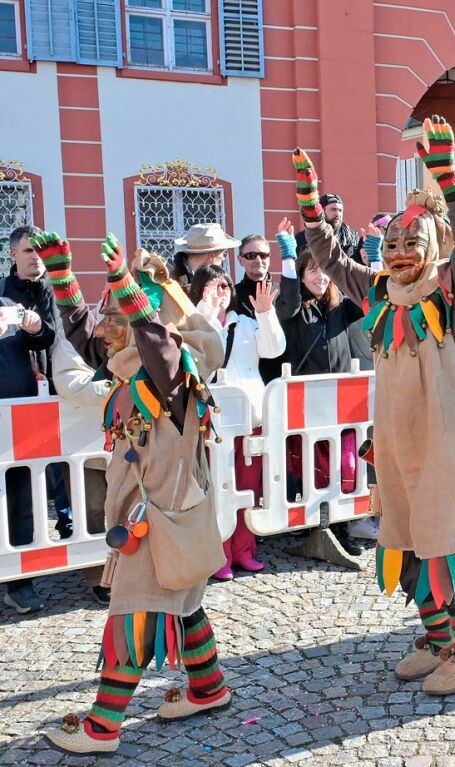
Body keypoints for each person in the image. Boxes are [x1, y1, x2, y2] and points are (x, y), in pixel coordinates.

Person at [294, 115, 455, 694]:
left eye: (413, 243)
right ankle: (437, 639)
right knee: (405, 546)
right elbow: (330, 259)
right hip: (398, 448)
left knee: (444, 546)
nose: (401, 252)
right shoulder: (380, 293)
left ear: (433, 247)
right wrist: (311, 206)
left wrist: (446, 174)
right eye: (392, 244)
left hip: (446, 447)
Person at [32, 231, 229, 754]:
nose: (106, 326)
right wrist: (63, 279)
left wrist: (127, 286)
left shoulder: (171, 374)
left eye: (118, 316)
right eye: (108, 313)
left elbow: (155, 341)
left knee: (136, 611)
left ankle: (103, 725)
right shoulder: (126, 371)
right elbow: (84, 335)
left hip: (161, 521)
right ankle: (209, 687)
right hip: (161, 517)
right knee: (184, 604)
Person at [276, 219, 375, 551]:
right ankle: (316, 529)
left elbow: (372, 297)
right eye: (312, 272)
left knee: (347, 465)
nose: (320, 277)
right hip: (307, 410)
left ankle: (343, 526)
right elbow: (286, 302)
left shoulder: (339, 308)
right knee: (313, 470)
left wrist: (372, 258)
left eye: (324, 271)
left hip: (343, 407)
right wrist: (289, 256)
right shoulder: (291, 310)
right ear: (302, 277)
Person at [190, 265, 285, 579]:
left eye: (225, 287)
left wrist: (266, 313)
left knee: (248, 488)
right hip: (213, 422)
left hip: (249, 418)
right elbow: (198, 351)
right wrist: (206, 309)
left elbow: (274, 349)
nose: (221, 294)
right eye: (213, 288)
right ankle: (219, 554)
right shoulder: (194, 323)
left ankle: (245, 551)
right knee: (217, 489)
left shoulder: (244, 323)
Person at [1, 224, 56, 614]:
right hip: (5, 398)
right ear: (13, 255)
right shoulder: (2, 291)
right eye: (29, 251)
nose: (36, 256)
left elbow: (50, 337)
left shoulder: (49, 289)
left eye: (40, 251)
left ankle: (21, 584)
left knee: (23, 494)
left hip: (27, 403)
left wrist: (38, 327)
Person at [50, 328, 113, 603]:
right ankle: (100, 575)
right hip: (85, 436)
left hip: (129, 437)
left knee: (132, 507)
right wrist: (114, 387)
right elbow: (69, 380)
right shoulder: (73, 332)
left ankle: (136, 571)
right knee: (93, 508)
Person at [294, 193, 364, 265]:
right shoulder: (302, 238)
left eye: (340, 210)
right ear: (322, 212)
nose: (337, 214)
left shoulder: (352, 238)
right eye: (333, 209)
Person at [169, 223, 241, 291]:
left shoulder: (175, 277)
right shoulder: (174, 284)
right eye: (224, 253)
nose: (223, 258)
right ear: (211, 256)